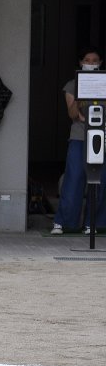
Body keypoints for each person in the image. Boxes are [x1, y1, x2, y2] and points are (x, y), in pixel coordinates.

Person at [52, 47, 106, 236]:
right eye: (87, 60)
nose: (91, 63)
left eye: (95, 60)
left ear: (100, 64)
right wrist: (83, 90)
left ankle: (93, 223)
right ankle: (64, 222)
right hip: (79, 136)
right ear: (81, 63)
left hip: (101, 136)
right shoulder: (72, 85)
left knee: (100, 179)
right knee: (74, 178)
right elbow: (73, 114)